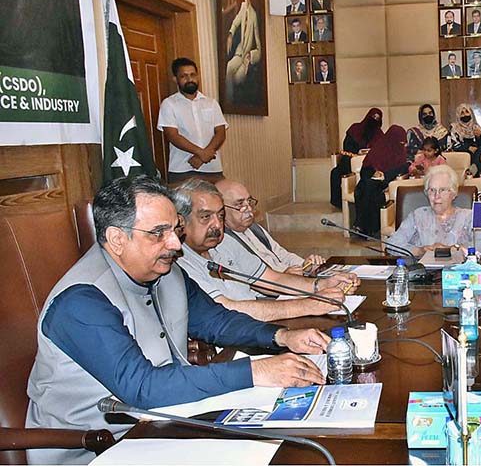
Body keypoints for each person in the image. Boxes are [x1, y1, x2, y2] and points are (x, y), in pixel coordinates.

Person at [26, 176, 330, 465]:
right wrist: (255, 371)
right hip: (95, 448)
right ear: (117, 239)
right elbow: (143, 388)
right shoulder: (81, 301)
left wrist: (280, 337)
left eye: (175, 230)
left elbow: (217, 321)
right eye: (159, 233)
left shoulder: (165, 269)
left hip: (163, 427)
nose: (175, 244)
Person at [174, 179, 354, 320]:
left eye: (220, 216)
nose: (217, 225)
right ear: (181, 221)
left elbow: (271, 279)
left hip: (257, 325)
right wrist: (308, 305)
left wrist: (322, 285)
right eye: (206, 217)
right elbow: (225, 309)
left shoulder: (225, 243)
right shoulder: (178, 262)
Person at [216, 179, 325, 275]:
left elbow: (281, 255)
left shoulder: (254, 228)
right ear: (221, 211)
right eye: (240, 204)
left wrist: (304, 264)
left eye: (249, 201)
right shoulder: (224, 243)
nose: (249, 208)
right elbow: (250, 282)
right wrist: (284, 276)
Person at [390, 165, 481, 256]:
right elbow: (392, 244)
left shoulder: (468, 216)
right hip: (423, 272)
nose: (436, 196)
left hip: (459, 272)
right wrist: (420, 251)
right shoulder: (417, 215)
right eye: (432, 190)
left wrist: (453, 249)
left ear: (453, 194)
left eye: (442, 190)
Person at [158, 58, 227, 183]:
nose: (190, 79)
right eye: (183, 76)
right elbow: (172, 135)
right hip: (182, 169)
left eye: (192, 75)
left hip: (213, 169)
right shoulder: (169, 104)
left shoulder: (211, 103)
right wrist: (201, 153)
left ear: (197, 76)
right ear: (175, 79)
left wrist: (203, 156)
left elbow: (221, 133)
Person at [354, 125, 409, 237]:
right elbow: (366, 169)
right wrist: (374, 172)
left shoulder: (401, 153)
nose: (402, 145)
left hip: (388, 183)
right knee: (363, 187)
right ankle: (365, 227)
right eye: (400, 142)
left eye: (403, 143)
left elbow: (401, 169)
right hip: (372, 181)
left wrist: (385, 175)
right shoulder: (379, 148)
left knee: (368, 188)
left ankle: (361, 225)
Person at [330, 108, 384, 207]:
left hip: (370, 163)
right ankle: (338, 203)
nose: (374, 120)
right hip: (350, 160)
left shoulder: (379, 134)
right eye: (373, 117)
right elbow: (347, 146)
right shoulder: (354, 129)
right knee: (335, 173)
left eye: (377, 118)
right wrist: (357, 152)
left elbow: (382, 150)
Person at [225, 0, 261, 92]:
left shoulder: (254, 15)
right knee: (229, 68)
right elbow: (235, 22)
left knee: (237, 79)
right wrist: (230, 34)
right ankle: (228, 100)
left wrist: (251, 56)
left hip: (246, 55)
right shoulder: (242, 8)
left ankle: (232, 101)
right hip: (239, 53)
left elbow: (259, 45)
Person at [447, 103, 481, 173]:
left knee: (480, 150)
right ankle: (474, 172)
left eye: (467, 112)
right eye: (462, 113)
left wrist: (478, 137)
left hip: (476, 150)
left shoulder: (476, 127)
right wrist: (468, 148)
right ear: (458, 115)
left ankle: (474, 171)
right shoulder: (454, 128)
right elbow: (453, 145)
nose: (465, 115)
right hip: (462, 149)